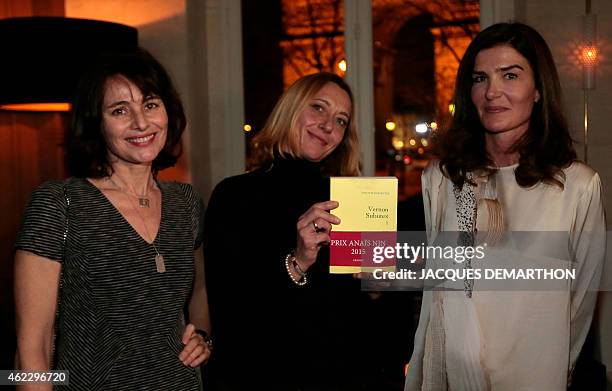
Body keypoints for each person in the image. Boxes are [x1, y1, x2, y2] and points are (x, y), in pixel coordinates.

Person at [405, 22, 606, 390]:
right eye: (480, 78)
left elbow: (581, 304)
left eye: (510, 75)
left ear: (538, 90)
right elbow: (442, 285)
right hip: (457, 376)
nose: (492, 92)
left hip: (537, 374)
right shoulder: (445, 178)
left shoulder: (577, 186)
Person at [14, 48, 211, 390]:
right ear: (96, 123)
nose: (141, 122)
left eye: (150, 104)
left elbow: (201, 289)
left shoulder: (187, 203)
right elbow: (32, 347)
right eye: (120, 110)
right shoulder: (60, 203)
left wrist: (204, 336)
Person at [203, 72, 389, 390]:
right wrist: (298, 261)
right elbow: (231, 310)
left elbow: (364, 311)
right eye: (318, 108)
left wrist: (378, 281)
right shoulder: (235, 195)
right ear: (290, 109)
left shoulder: (353, 196)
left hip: (347, 374)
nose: (329, 126)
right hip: (269, 374)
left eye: (341, 120)